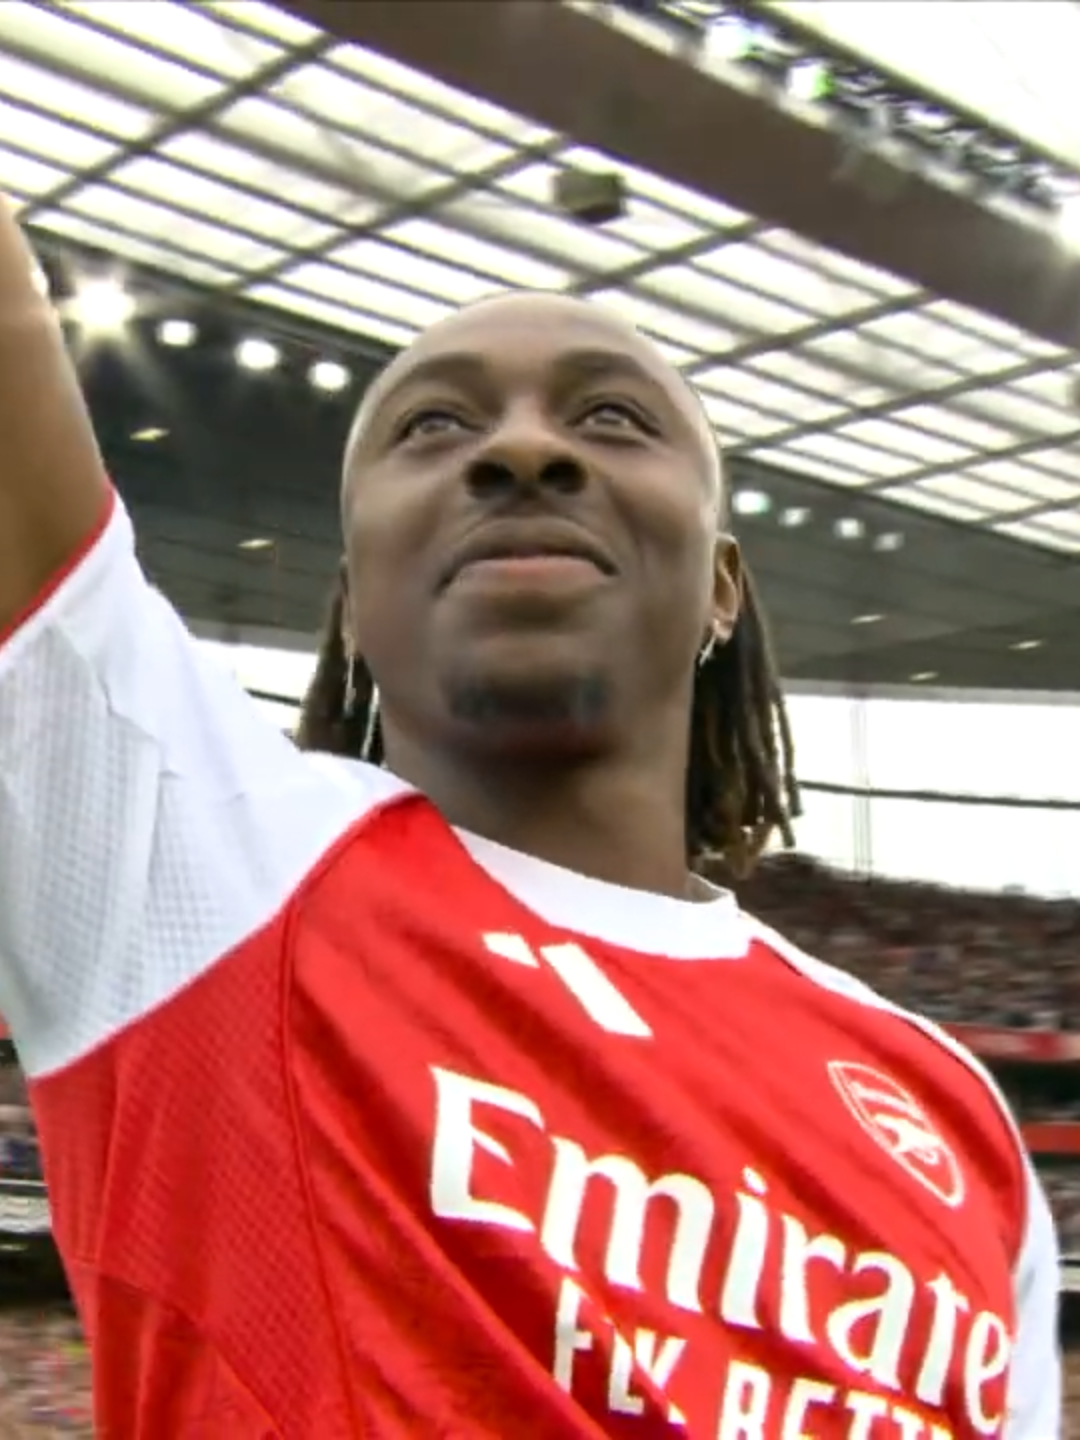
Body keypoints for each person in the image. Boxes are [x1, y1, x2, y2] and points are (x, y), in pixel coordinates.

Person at [0, 189, 1061, 1438]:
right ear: (355, 598)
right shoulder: (189, 873)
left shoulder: (953, 1117)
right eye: (434, 425)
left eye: (612, 417)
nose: (521, 454)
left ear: (724, 588)